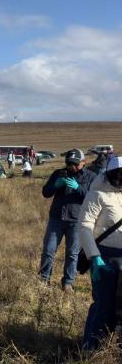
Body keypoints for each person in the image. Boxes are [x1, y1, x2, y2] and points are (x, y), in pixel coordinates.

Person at [77, 156, 122, 350]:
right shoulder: (97, 195)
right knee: (104, 305)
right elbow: (84, 227)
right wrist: (94, 258)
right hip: (104, 257)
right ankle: (90, 348)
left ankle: (111, 348)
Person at [39, 149, 97, 292]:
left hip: (77, 221)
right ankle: (43, 279)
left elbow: (92, 198)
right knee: (48, 250)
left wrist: (78, 188)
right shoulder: (58, 173)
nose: (71, 167)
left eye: (75, 164)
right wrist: (55, 185)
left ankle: (68, 283)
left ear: (84, 162)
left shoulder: (91, 176)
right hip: (56, 218)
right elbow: (46, 192)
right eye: (69, 163)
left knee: (72, 253)